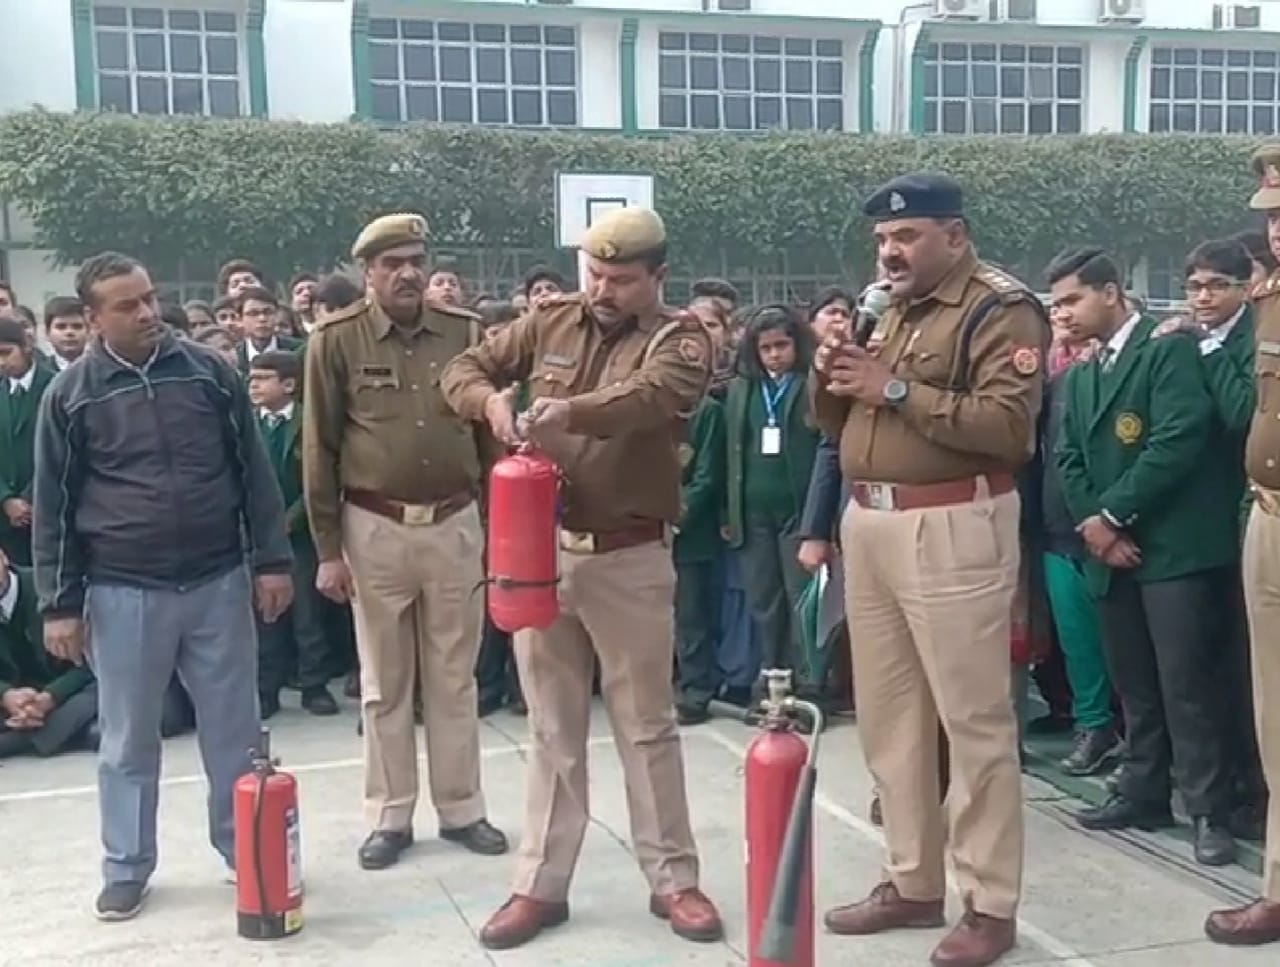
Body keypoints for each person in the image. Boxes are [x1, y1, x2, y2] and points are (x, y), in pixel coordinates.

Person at [440, 206, 724, 951]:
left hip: (628, 553)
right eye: (593, 273)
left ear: (657, 278)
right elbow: (463, 368)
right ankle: (541, 882)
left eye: (621, 279)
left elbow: (651, 399)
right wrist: (489, 400)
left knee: (646, 721)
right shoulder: (550, 321)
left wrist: (567, 408)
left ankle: (674, 877)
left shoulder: (682, 337)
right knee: (552, 725)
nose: (603, 289)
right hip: (541, 552)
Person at [814, 173, 1046, 967]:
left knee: (973, 720)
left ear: (954, 234)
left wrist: (896, 387)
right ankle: (912, 879)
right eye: (883, 239)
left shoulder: (998, 306)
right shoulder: (888, 308)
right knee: (889, 715)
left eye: (907, 236)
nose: (890, 251)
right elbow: (836, 418)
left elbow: (1008, 428)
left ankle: (989, 901)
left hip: (953, 521)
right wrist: (835, 368)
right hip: (871, 521)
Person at [32, 251, 294, 922]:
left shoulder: (209, 373)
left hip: (217, 580)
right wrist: (60, 604)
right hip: (123, 590)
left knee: (235, 732)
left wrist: (270, 561)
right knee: (126, 737)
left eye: (149, 298)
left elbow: (254, 477)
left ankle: (246, 851)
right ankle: (127, 865)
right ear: (93, 319)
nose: (147, 312)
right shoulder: (70, 396)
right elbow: (55, 508)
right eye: (128, 305)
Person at [302, 213, 507, 872]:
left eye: (416, 259)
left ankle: (462, 806)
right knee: (383, 681)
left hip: (454, 523)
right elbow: (319, 448)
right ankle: (390, 813)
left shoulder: (465, 333)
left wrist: (497, 531)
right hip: (374, 528)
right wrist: (329, 548)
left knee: (455, 675)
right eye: (392, 263)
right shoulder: (335, 340)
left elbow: (489, 440)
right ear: (368, 272)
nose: (408, 272)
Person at [1052, 247, 1239, 868]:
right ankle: (1144, 788)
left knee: (1187, 684)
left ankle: (1209, 807)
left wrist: (1114, 515)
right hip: (1113, 552)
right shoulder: (1080, 375)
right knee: (1135, 685)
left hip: (1174, 547)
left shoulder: (1167, 351)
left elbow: (1179, 437)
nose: (1065, 315)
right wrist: (1097, 525)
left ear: (1111, 293)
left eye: (1073, 300)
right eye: (1057, 305)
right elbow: (1069, 458)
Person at [1205, 142, 1280, 946]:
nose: (1278, 231)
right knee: (1275, 716)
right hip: (1268, 514)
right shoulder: (1269, 298)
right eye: (1271, 216)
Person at [247, 350, 338, 718]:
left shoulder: (308, 423)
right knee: (265, 613)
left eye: (263, 379)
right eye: (251, 378)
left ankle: (314, 685)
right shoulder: (247, 422)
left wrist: (292, 519)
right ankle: (267, 688)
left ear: (289, 384)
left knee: (306, 613)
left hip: (300, 535)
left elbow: (316, 480)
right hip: (259, 535)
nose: (253, 385)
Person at [0, 548, 97, 758]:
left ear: (4, 558)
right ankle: (66, 732)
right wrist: (6, 695)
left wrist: (51, 697)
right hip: (15, 700)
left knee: (105, 688)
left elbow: (94, 661)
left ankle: (23, 739)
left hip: (68, 687)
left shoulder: (51, 589)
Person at [0, 316, 56, 567]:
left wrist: (29, 497)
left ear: (27, 347)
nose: (1, 362)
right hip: (5, 518)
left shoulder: (56, 386)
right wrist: (6, 498)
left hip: (47, 510)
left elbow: (60, 449)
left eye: (6, 352)